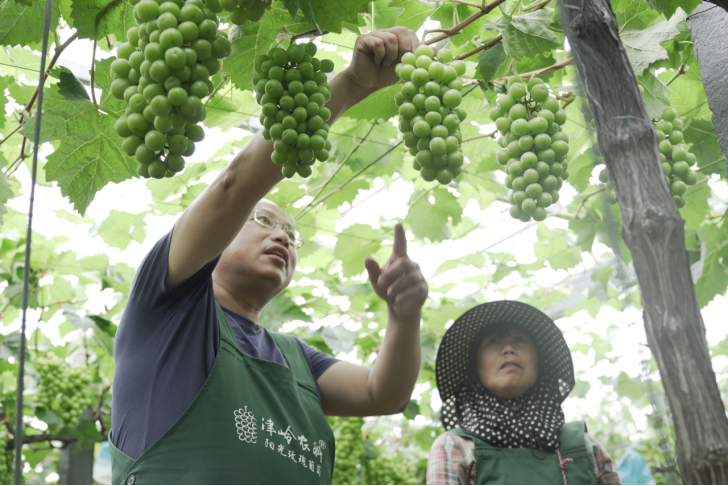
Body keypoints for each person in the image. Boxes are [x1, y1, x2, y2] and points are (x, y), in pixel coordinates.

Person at [110, 27, 428, 485]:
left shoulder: (297, 358)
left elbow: (383, 395)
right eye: (263, 220)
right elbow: (233, 187)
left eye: (291, 233)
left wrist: (404, 316)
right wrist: (354, 86)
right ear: (220, 234)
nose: (282, 235)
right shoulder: (167, 305)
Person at [427, 301, 621, 485]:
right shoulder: (455, 447)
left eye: (520, 340)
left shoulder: (584, 446)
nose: (509, 349)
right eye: (494, 341)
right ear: (473, 371)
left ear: (539, 364)